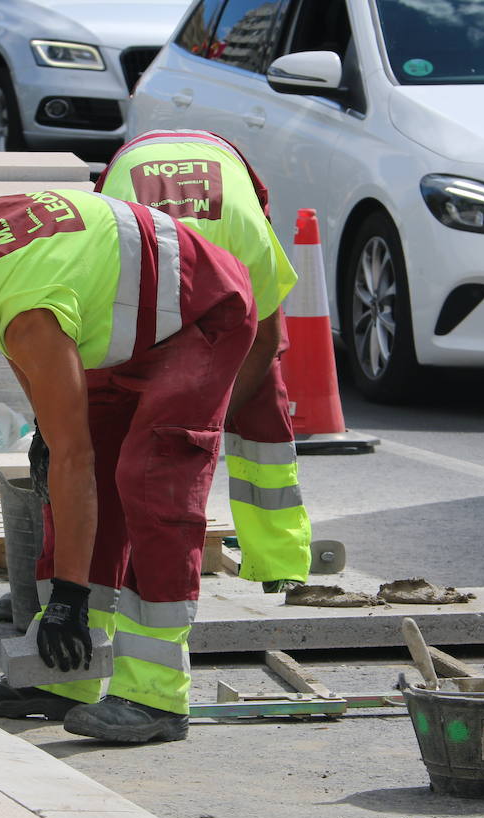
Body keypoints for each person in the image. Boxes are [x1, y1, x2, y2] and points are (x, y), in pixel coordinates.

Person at [0, 189, 257, 743]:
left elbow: (75, 456)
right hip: (117, 325)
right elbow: (39, 393)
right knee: (63, 480)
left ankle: (157, 698)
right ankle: (65, 677)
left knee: (147, 481)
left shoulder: (28, 307)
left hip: (201, 315)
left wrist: (70, 597)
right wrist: (47, 426)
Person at [95, 128, 312, 592]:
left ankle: (280, 563)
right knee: (116, 416)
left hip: (219, 181)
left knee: (262, 404)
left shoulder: (247, 240)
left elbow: (266, 340)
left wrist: (210, 420)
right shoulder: (115, 249)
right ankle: (108, 570)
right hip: (140, 221)